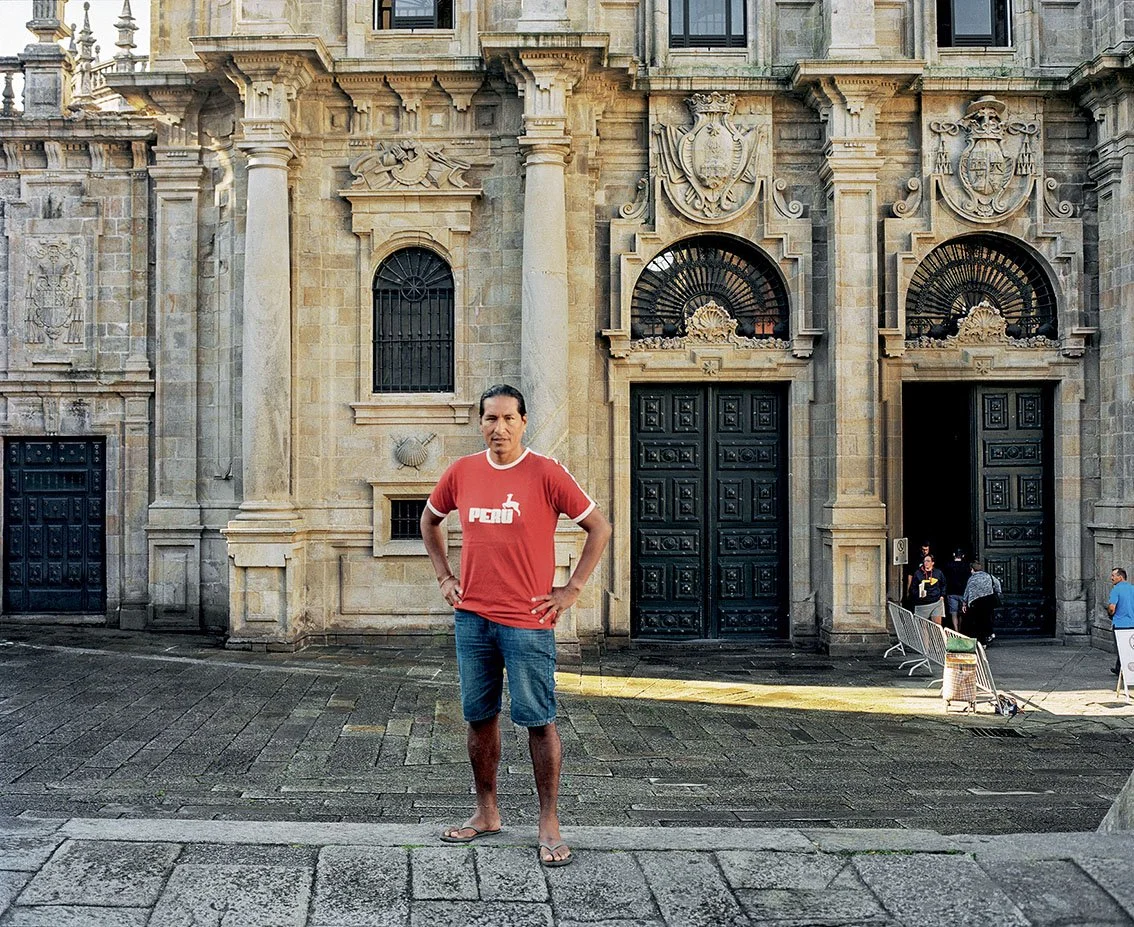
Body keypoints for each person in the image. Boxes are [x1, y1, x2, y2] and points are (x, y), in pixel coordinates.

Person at [420, 384, 611, 868]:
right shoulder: (462, 471)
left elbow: (600, 528)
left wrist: (571, 589)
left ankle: (549, 823)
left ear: (524, 422)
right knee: (479, 718)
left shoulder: (546, 472)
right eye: (491, 418)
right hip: (473, 620)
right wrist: (444, 576)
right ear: (480, 423)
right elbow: (429, 520)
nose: (499, 427)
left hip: (527, 621)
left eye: (508, 418)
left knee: (538, 721)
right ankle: (487, 813)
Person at [962, 560, 1002, 646]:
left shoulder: (972, 579)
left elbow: (967, 591)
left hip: (977, 602)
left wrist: (964, 603)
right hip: (989, 600)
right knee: (987, 619)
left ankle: (982, 642)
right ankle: (989, 633)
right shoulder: (988, 576)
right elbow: (997, 584)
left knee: (979, 622)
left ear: (972, 569)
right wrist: (998, 592)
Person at [1107, 567, 1134, 676]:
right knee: (1129, 647)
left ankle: (1124, 672)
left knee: (1121, 648)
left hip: (1120, 624)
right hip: (1132, 623)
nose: (1111, 578)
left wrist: (1110, 614)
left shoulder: (1116, 590)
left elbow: (1112, 608)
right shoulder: (1132, 588)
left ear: (1120, 577)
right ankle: (1118, 669)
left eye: (1113, 576)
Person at [911, 553, 947, 623]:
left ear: (932, 563)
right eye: (924, 561)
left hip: (936, 602)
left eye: (928, 561)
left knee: (937, 625)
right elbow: (913, 587)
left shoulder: (938, 573)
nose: (926, 563)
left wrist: (942, 595)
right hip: (922, 604)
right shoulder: (918, 573)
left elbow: (943, 584)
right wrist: (918, 594)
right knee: (922, 627)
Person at [942, 548, 970, 633]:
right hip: (963, 592)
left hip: (951, 591)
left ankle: (956, 630)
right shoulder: (966, 566)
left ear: (954, 555)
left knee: (953, 613)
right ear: (963, 556)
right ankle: (960, 630)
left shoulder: (948, 565)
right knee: (961, 613)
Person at [905, 540, 934, 605]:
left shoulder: (931, 559)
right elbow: (910, 575)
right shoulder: (915, 559)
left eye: (926, 550)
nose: (925, 551)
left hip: (929, 586)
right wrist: (908, 589)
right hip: (917, 585)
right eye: (923, 550)